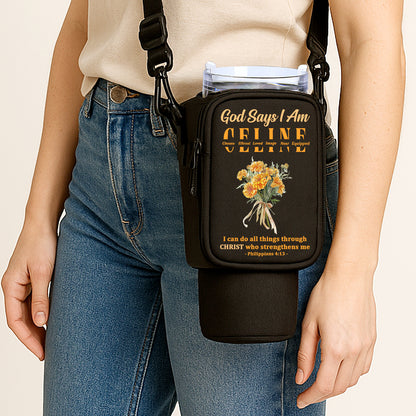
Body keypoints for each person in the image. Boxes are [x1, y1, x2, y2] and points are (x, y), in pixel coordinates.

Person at [1, 0, 405, 415]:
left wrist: (353, 272)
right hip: (100, 180)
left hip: (247, 171)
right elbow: (83, 19)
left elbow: (370, 38)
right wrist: (38, 217)